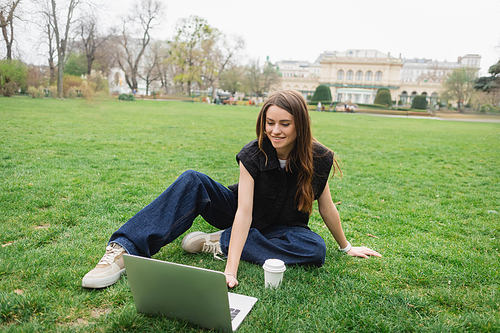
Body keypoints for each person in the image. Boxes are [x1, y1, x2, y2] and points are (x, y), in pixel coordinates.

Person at [82, 90, 381, 289]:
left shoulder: (318, 157)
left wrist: (346, 247)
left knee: (314, 249)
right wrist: (231, 271)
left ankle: (219, 242)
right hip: (238, 209)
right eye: (270, 123)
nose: (275, 131)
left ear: (300, 125)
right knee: (192, 179)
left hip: (283, 227)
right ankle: (124, 252)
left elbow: (326, 206)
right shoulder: (253, 154)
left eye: (285, 124)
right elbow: (244, 212)